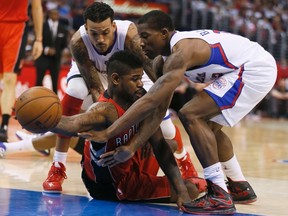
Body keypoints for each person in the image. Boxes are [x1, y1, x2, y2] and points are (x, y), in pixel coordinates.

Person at [79, 10, 277, 215]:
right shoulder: (163, 62)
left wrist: (109, 132)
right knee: (208, 128)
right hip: (247, 66)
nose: (140, 43)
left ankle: (219, 193)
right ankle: (238, 186)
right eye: (139, 37)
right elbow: (158, 111)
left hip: (254, 68)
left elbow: (150, 101)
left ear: (164, 33)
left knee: (190, 114)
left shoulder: (182, 52)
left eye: (145, 36)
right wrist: (133, 145)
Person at [41, 2, 201, 193]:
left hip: (132, 75)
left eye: (105, 32)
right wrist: (114, 121)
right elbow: (95, 88)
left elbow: (152, 73)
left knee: (164, 123)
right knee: (76, 91)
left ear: (114, 26)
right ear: (85, 29)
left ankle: (184, 160)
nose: (100, 39)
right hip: (98, 75)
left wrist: (155, 110)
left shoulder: (129, 35)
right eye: (94, 33)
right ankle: (58, 166)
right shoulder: (78, 41)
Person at [40, 50, 200, 211]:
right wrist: (42, 121)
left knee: (168, 144)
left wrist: (139, 141)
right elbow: (73, 124)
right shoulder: (105, 110)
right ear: (116, 79)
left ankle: (148, 174)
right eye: (135, 79)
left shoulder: (139, 98)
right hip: (115, 186)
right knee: (193, 189)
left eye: (140, 77)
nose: (141, 84)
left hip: (123, 164)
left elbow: (159, 144)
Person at [0, 0, 43, 142]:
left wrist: (39, 39)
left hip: (17, 28)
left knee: (9, 79)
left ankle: (4, 126)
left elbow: (36, 7)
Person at [35, 7, 68, 93]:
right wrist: (46, 50)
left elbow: (64, 45)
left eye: (57, 14)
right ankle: (34, 99)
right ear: (49, 15)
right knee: (38, 81)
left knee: (55, 83)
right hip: (42, 58)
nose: (55, 15)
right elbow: (37, 41)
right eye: (53, 13)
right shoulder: (42, 26)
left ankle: (55, 102)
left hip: (55, 60)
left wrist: (64, 51)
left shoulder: (63, 29)